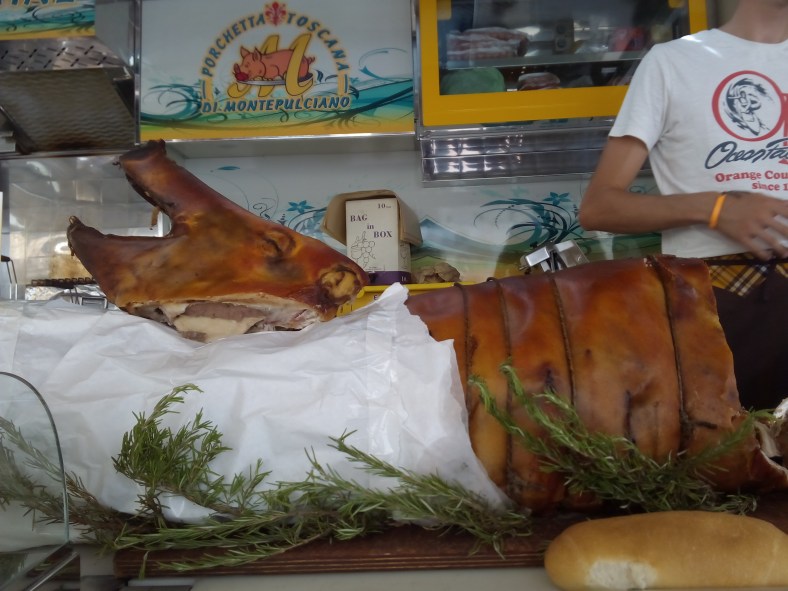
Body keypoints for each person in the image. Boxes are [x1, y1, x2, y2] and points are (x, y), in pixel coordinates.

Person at [578, 0, 788, 410]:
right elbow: (599, 207)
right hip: (721, 305)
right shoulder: (674, 62)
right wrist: (716, 207)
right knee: (728, 462)